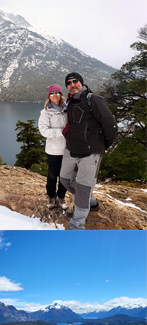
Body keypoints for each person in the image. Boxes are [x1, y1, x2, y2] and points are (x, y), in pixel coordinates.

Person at [60, 71, 117, 230]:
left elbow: (110, 124)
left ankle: (77, 227)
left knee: (83, 188)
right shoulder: (71, 101)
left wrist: (105, 145)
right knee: (65, 180)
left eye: (75, 81)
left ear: (81, 82)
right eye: (69, 83)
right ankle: (90, 200)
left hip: (90, 153)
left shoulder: (93, 99)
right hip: (71, 150)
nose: (72, 85)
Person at [38, 84, 67, 208]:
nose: (54, 95)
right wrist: (62, 132)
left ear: (61, 94)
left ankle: (61, 197)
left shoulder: (68, 109)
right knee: (52, 175)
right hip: (54, 150)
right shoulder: (45, 112)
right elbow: (43, 131)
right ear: (49, 96)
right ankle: (51, 196)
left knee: (65, 176)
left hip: (68, 149)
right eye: (52, 93)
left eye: (57, 93)